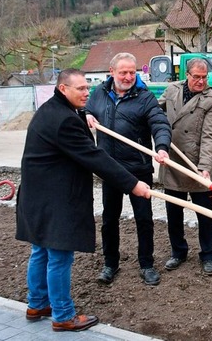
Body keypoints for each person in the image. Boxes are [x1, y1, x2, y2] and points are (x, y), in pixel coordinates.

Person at [15, 68, 152, 332]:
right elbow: (95, 157)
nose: (86, 93)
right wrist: (133, 184)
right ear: (63, 88)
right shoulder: (63, 120)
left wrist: (84, 114)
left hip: (37, 196)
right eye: (80, 89)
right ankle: (63, 315)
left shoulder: (52, 111)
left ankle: (37, 304)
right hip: (55, 199)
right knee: (58, 255)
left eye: (88, 88)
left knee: (41, 251)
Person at [85, 53, 171, 286]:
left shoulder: (144, 97)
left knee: (144, 219)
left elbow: (159, 123)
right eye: (123, 72)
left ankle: (147, 264)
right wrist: (88, 115)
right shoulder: (99, 94)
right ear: (111, 72)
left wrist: (162, 147)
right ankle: (110, 264)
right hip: (110, 169)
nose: (128, 76)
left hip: (138, 169)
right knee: (109, 219)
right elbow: (84, 110)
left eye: (132, 72)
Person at [158, 58, 212, 275]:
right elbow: (155, 116)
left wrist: (205, 167)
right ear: (187, 75)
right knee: (174, 212)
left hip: (196, 164)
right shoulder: (171, 91)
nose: (201, 81)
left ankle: (208, 254)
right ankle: (178, 252)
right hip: (172, 160)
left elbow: (208, 136)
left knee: (205, 213)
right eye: (196, 77)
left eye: (204, 77)